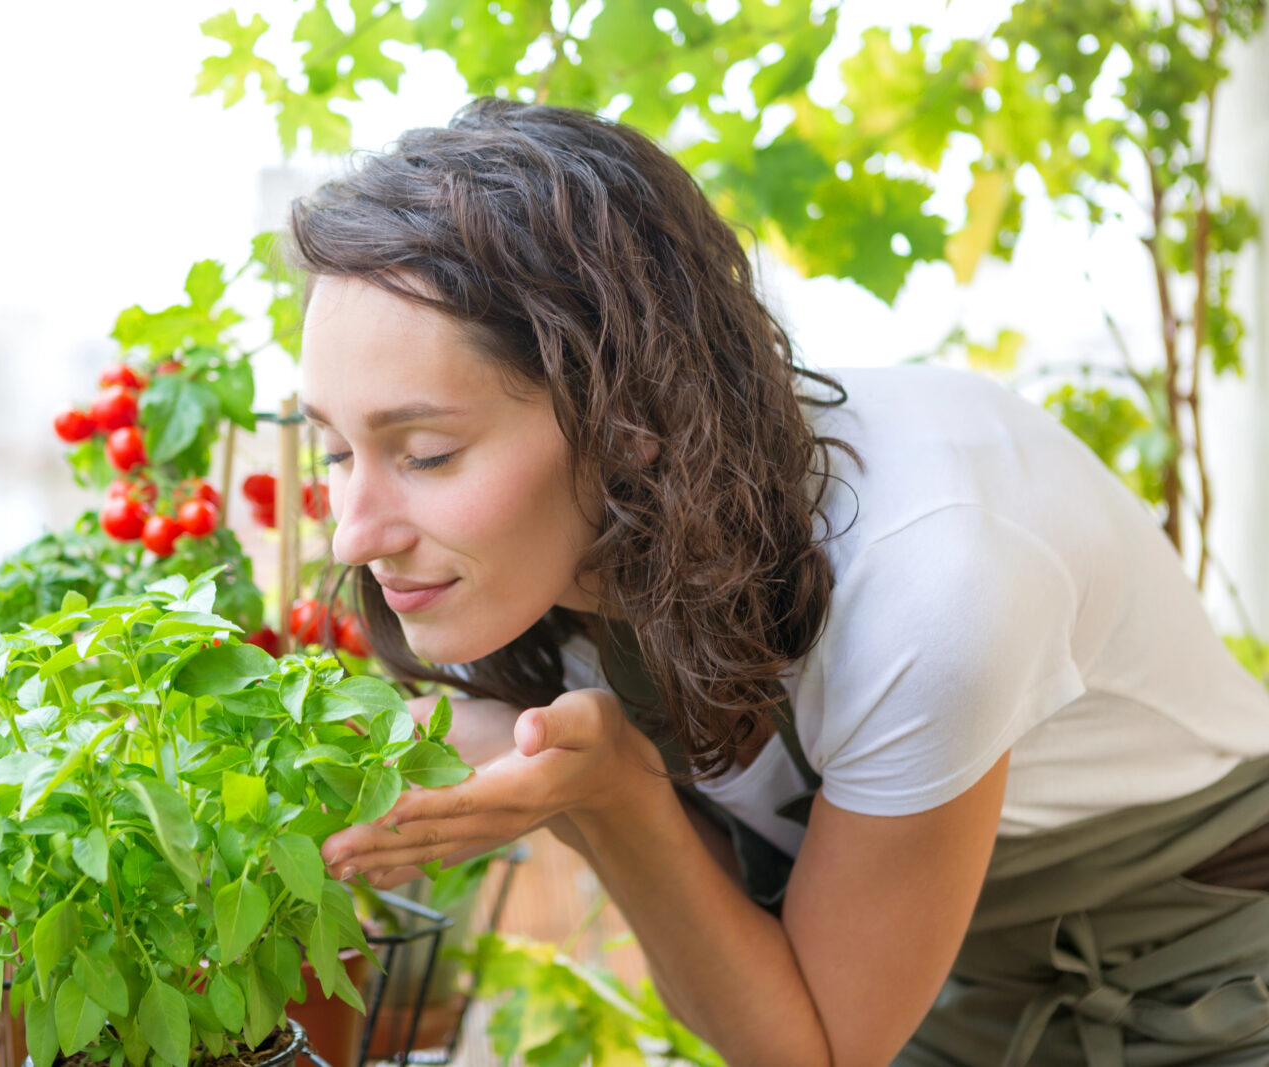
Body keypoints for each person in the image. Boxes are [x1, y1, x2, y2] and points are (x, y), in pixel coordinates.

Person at [289, 98, 1269, 1066]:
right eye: (334, 448)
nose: (353, 532)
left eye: (424, 451)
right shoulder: (561, 548)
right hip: (941, 994)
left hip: (1211, 987)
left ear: (628, 411)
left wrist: (611, 799)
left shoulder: (933, 579)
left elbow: (817, 1050)